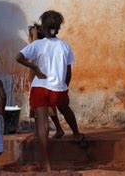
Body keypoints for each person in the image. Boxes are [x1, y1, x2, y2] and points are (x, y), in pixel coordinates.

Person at [16, 10, 87, 171]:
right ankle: (76, 134)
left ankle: (47, 166)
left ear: (44, 27)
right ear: (58, 28)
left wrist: (35, 67)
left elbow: (18, 57)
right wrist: (64, 86)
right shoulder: (65, 46)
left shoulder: (37, 45)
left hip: (39, 88)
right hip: (58, 89)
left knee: (42, 126)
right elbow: (68, 72)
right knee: (65, 108)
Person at [27, 23, 64, 139]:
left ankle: (41, 132)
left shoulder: (39, 47)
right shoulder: (43, 47)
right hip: (42, 83)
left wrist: (34, 35)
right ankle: (57, 129)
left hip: (41, 84)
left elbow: (34, 47)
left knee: (42, 109)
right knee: (48, 108)